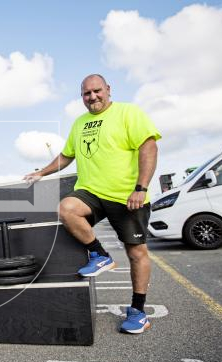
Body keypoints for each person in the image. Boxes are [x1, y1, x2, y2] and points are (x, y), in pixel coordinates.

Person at [24, 74, 161, 334]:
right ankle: (100, 254)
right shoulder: (80, 123)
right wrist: (41, 172)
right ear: (82, 97)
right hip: (92, 192)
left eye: (97, 91)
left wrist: (140, 188)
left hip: (127, 196)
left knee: (136, 253)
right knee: (67, 209)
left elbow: (149, 147)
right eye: (87, 94)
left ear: (108, 89)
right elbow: (66, 156)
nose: (92, 97)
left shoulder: (128, 113)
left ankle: (138, 311)